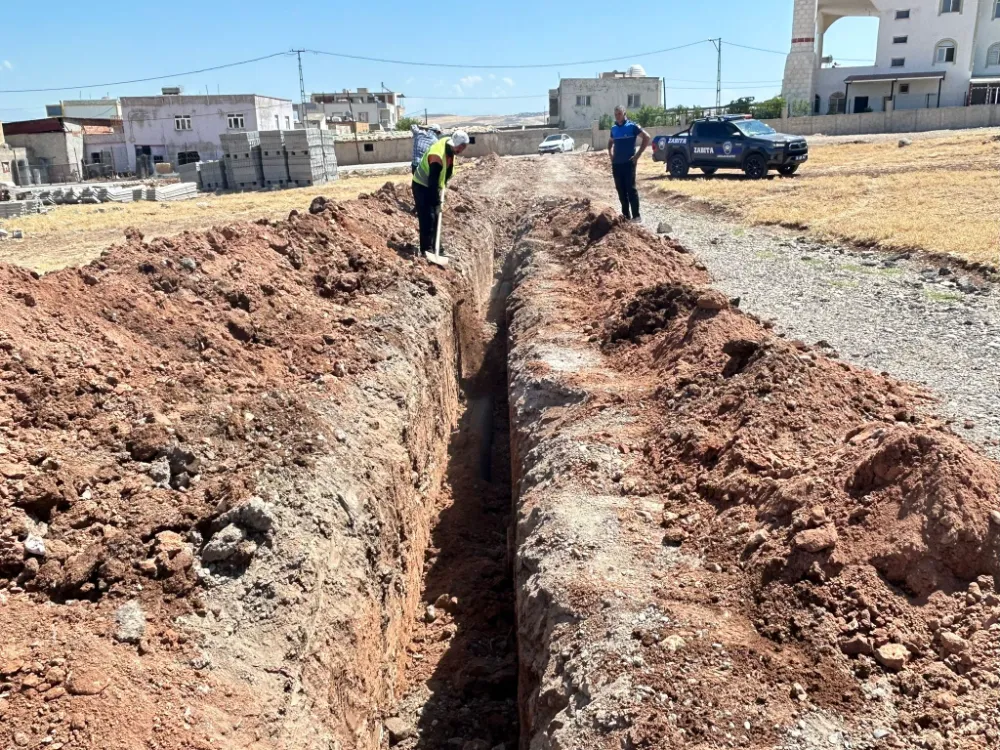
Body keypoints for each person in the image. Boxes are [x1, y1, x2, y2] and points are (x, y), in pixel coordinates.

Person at [411, 130, 470, 257]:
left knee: (437, 217)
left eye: (464, 147)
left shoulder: (449, 147)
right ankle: (426, 250)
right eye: (461, 147)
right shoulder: (437, 156)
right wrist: (436, 203)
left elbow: (445, 173)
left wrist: (441, 188)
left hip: (432, 185)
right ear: (456, 144)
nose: (462, 150)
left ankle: (438, 248)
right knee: (428, 217)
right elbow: (432, 182)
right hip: (421, 185)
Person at [607, 105, 651, 222]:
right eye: (616, 114)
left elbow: (647, 137)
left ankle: (636, 216)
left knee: (630, 189)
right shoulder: (613, 128)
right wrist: (610, 154)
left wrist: (637, 155)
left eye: (619, 114)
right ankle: (626, 217)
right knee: (621, 191)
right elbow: (610, 142)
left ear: (624, 113)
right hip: (617, 164)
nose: (617, 116)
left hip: (628, 163)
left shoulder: (632, 126)